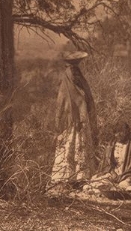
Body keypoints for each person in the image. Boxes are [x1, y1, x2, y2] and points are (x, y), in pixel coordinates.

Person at [50, 51, 98, 188]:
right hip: (71, 123)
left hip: (79, 122)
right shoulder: (68, 82)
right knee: (70, 146)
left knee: (76, 147)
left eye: (76, 69)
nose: (75, 72)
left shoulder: (76, 80)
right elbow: (62, 105)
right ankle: (68, 178)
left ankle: (78, 178)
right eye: (73, 69)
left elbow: (87, 101)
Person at [88, 120, 131, 197]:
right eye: (116, 132)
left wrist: (124, 175)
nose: (118, 135)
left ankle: (119, 188)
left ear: (126, 131)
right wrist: (112, 172)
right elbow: (107, 164)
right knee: (98, 181)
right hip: (113, 174)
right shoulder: (111, 145)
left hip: (129, 175)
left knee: (124, 184)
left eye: (121, 132)